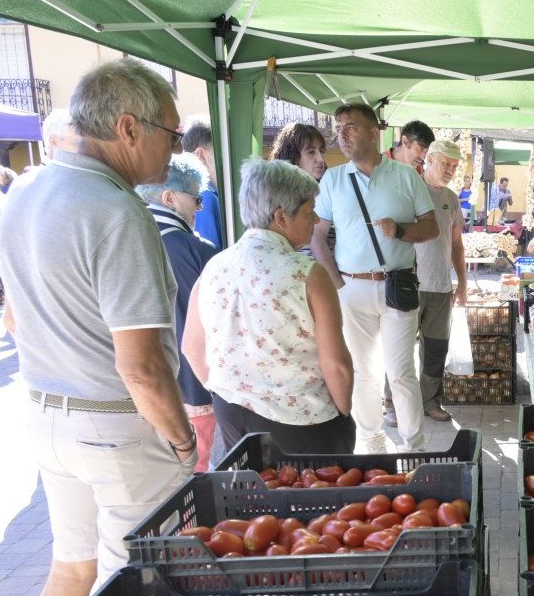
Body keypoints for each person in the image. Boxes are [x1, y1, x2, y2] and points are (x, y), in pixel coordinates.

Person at [0, 57, 196, 596]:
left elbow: (11, 319)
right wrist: (182, 440)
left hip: (47, 415)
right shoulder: (118, 212)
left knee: (72, 564)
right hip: (116, 424)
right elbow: (141, 367)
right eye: (171, 131)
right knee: (128, 585)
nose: (175, 146)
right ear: (130, 129)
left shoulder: (25, 193)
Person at [183, 158, 355, 454]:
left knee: (252, 499)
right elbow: (337, 365)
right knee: (314, 499)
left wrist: (229, 392)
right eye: (309, 211)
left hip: (233, 416)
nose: (316, 221)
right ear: (281, 217)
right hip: (305, 423)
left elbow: (191, 349)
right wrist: (343, 414)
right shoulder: (308, 274)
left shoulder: (215, 266)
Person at [311, 103, 438, 452]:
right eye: (339, 128)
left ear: (372, 133)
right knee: (363, 370)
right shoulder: (333, 180)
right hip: (351, 287)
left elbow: (431, 227)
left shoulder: (405, 176)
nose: (342, 134)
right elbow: (317, 235)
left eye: (350, 127)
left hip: (397, 285)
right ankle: (371, 441)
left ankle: (415, 447)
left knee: (400, 371)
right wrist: (337, 281)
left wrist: (399, 230)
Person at [136, 153, 219, 470]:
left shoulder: (129, 239)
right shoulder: (197, 248)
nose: (200, 208)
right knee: (196, 475)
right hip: (193, 383)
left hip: (140, 388)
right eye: (196, 199)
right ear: (170, 198)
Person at [382, 139, 467, 423]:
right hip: (409, 284)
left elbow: (457, 246)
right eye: (445, 164)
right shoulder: (409, 191)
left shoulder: (452, 199)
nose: (450, 170)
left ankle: (430, 401)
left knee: (435, 350)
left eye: (454, 166)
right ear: (429, 159)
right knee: (400, 347)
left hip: (441, 287)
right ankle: (393, 404)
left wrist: (463, 284)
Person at [180, 116, 223, 249]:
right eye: (221, 151)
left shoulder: (204, 195)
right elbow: (210, 256)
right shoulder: (205, 198)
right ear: (201, 155)